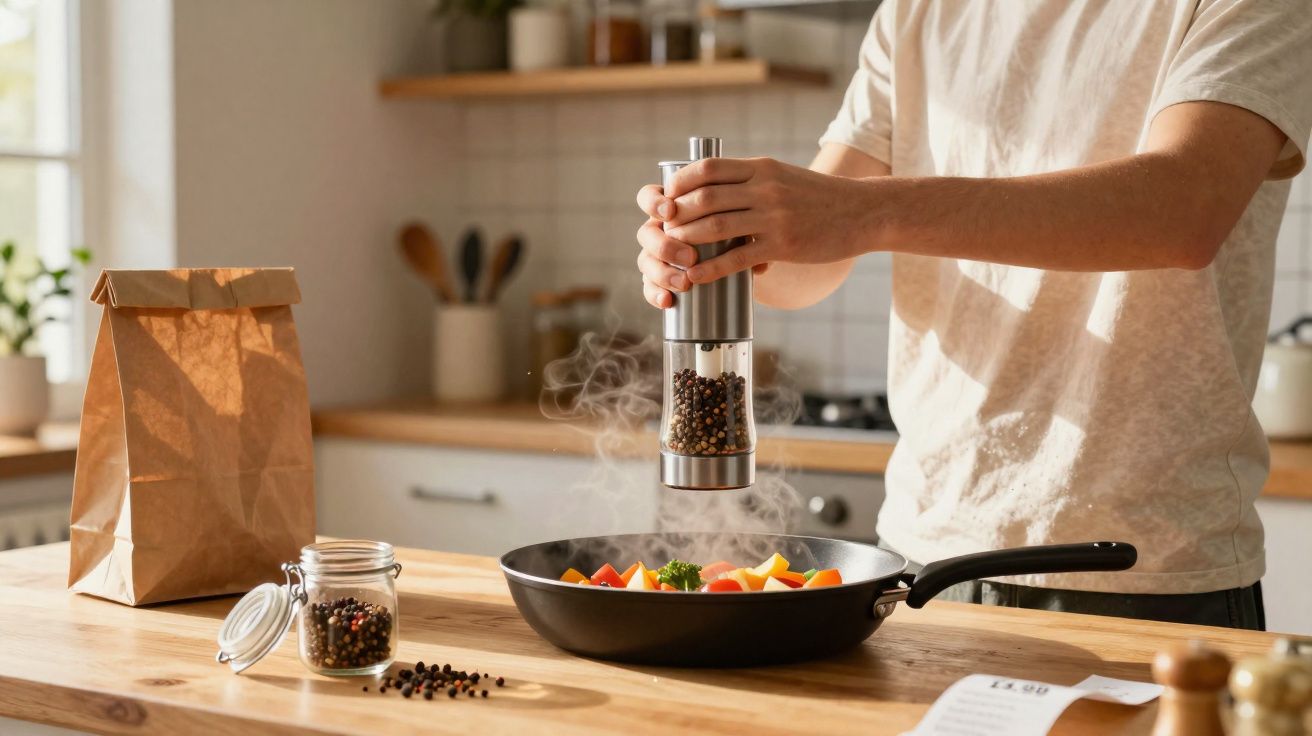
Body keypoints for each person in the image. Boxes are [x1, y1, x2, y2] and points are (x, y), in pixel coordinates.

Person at [634, 0, 1312, 629]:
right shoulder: (919, 10)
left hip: (1142, 572)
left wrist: (864, 210)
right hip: (920, 560)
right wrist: (717, 243)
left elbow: (1183, 211)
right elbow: (800, 267)